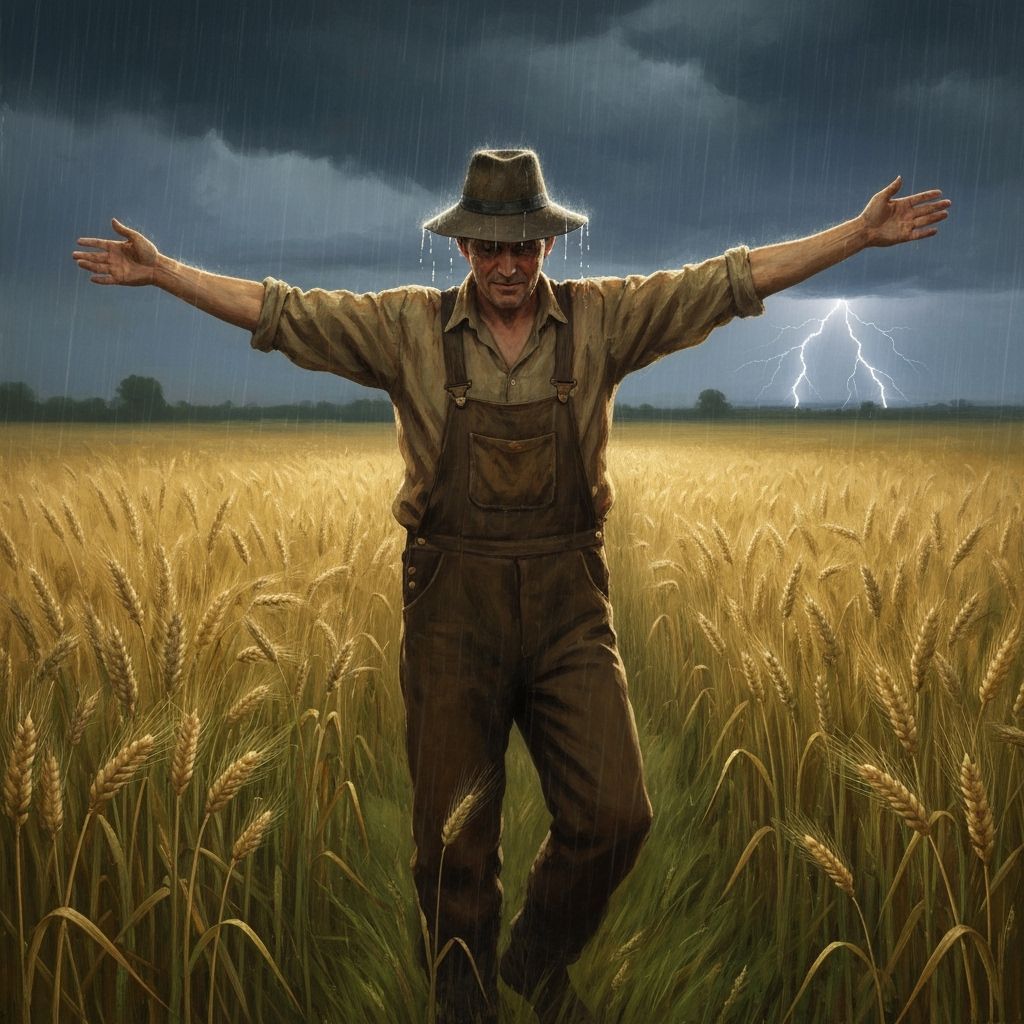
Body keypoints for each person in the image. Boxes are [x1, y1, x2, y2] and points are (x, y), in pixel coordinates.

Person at [72, 148, 949, 1024]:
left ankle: (533, 955)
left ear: (546, 245)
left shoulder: (604, 320)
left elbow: (727, 283)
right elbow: (282, 313)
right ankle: (465, 1001)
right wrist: (163, 274)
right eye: (490, 247)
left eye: (524, 245)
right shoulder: (405, 328)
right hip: (452, 602)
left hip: (571, 601)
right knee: (453, 842)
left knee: (618, 814)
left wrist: (857, 237)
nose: (508, 265)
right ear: (462, 250)